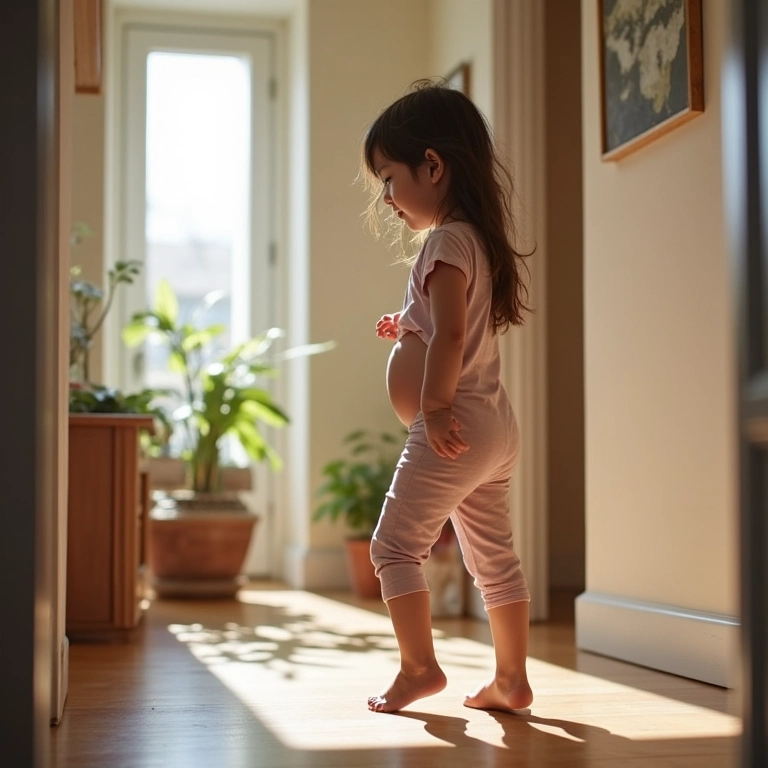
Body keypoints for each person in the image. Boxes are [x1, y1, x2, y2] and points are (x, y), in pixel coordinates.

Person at [361, 80, 533, 715]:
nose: (386, 196)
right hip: (495, 427)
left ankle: (418, 668)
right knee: (493, 559)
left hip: (455, 423)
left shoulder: (443, 241)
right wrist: (407, 322)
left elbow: (454, 334)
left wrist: (434, 409)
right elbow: (444, 321)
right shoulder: (474, 242)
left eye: (388, 176)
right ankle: (511, 680)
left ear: (432, 165)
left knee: (393, 547)